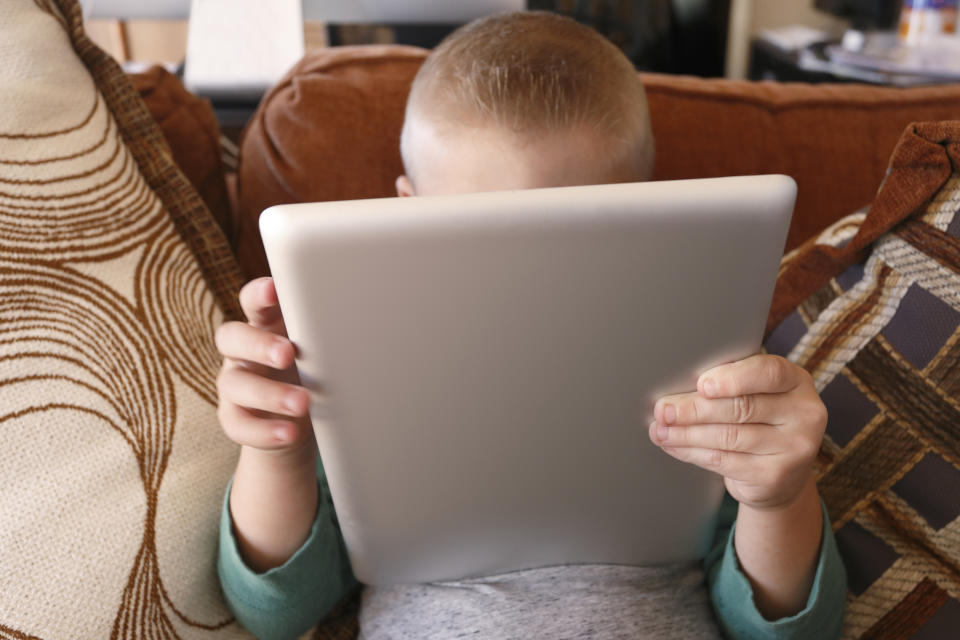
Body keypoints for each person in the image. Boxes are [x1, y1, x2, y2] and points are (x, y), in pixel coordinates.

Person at [215, 11, 846, 640]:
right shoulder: (357, 371)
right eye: (476, 238)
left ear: (648, 208)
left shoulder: (706, 361)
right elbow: (277, 612)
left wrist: (779, 497)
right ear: (405, 209)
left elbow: (790, 631)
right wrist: (278, 449)